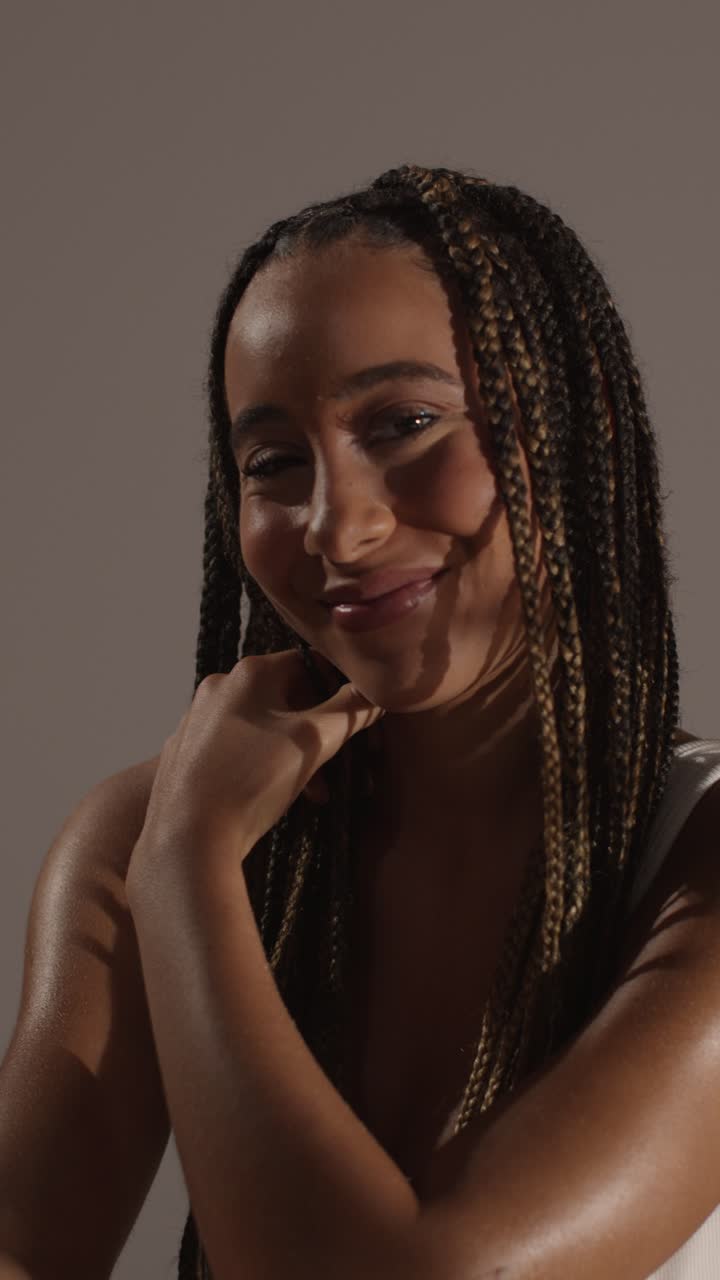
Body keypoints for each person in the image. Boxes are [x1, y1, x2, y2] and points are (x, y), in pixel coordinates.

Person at [1, 164, 719, 1280]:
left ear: (573, 430)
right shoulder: (137, 837)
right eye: (275, 462)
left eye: (404, 423)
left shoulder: (698, 859)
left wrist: (190, 873)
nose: (339, 526)